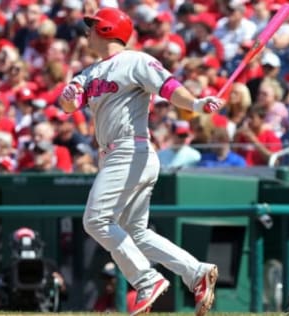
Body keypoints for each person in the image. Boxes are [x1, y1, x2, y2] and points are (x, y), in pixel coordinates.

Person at [58, 7, 221, 316]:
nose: (86, 32)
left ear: (107, 30)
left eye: (92, 26)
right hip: (119, 157)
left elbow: (169, 87)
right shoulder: (90, 72)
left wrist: (197, 104)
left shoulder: (135, 60)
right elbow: (69, 105)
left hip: (130, 151)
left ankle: (146, 280)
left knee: (95, 221)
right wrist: (68, 96)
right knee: (137, 233)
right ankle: (196, 272)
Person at [0, 227, 67, 312]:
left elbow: (65, 295)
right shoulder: (9, 271)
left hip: (42, 308)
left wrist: (60, 285)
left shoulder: (49, 267)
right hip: (15, 308)